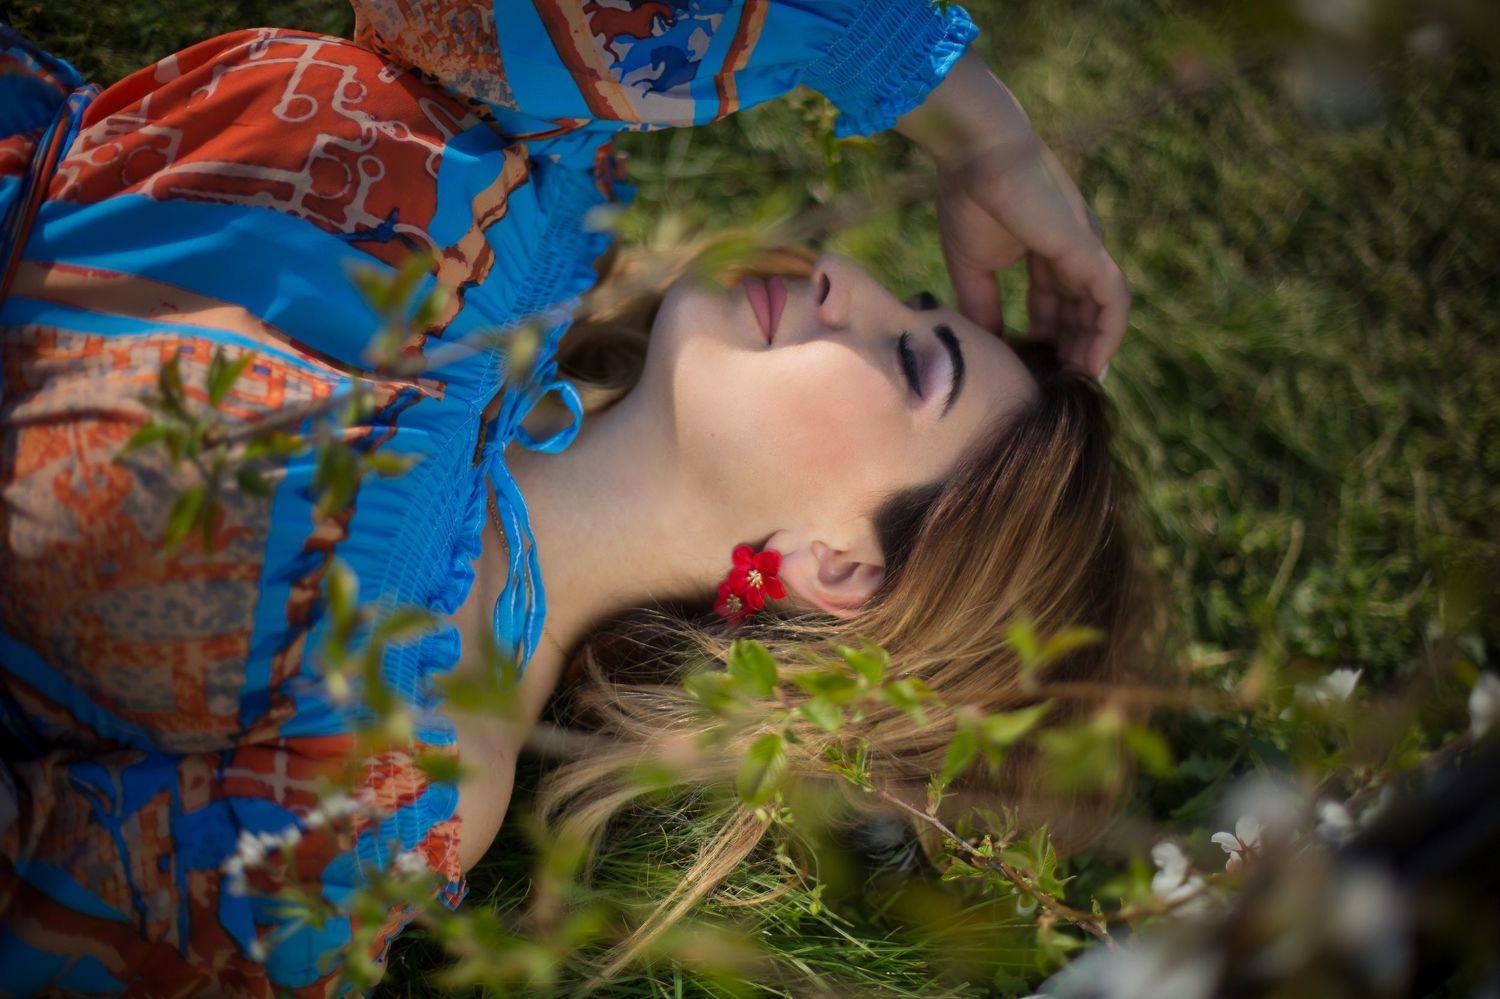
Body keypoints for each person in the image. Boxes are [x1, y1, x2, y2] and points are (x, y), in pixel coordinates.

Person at [0, 0, 1137, 993]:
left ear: (836, 566)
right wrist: (969, 116)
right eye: (915, 302)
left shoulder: (410, 783)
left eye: (913, 362)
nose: (852, 279)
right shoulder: (526, 189)